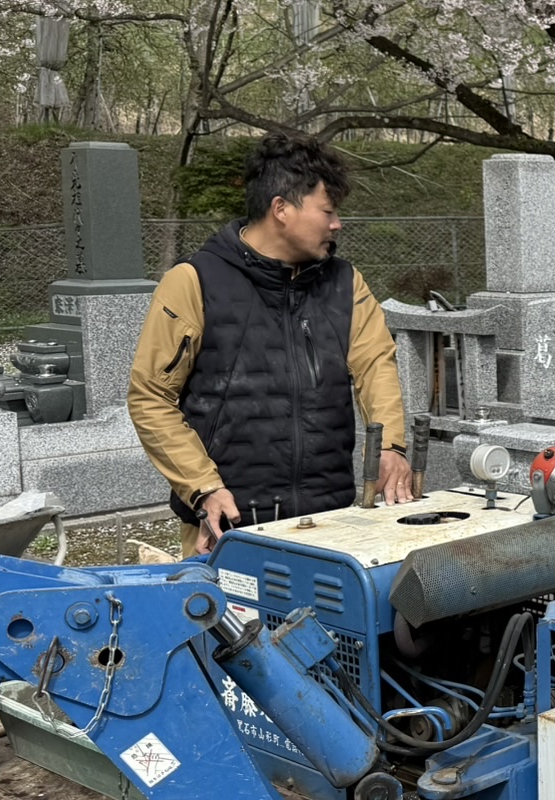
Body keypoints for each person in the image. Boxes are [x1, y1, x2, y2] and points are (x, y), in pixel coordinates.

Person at [129, 135, 414, 555]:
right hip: (227, 524)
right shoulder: (194, 281)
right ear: (281, 209)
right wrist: (202, 488)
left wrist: (390, 446)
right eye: (328, 211)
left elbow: (376, 366)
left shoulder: (345, 283)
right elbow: (150, 397)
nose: (337, 224)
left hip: (331, 520)